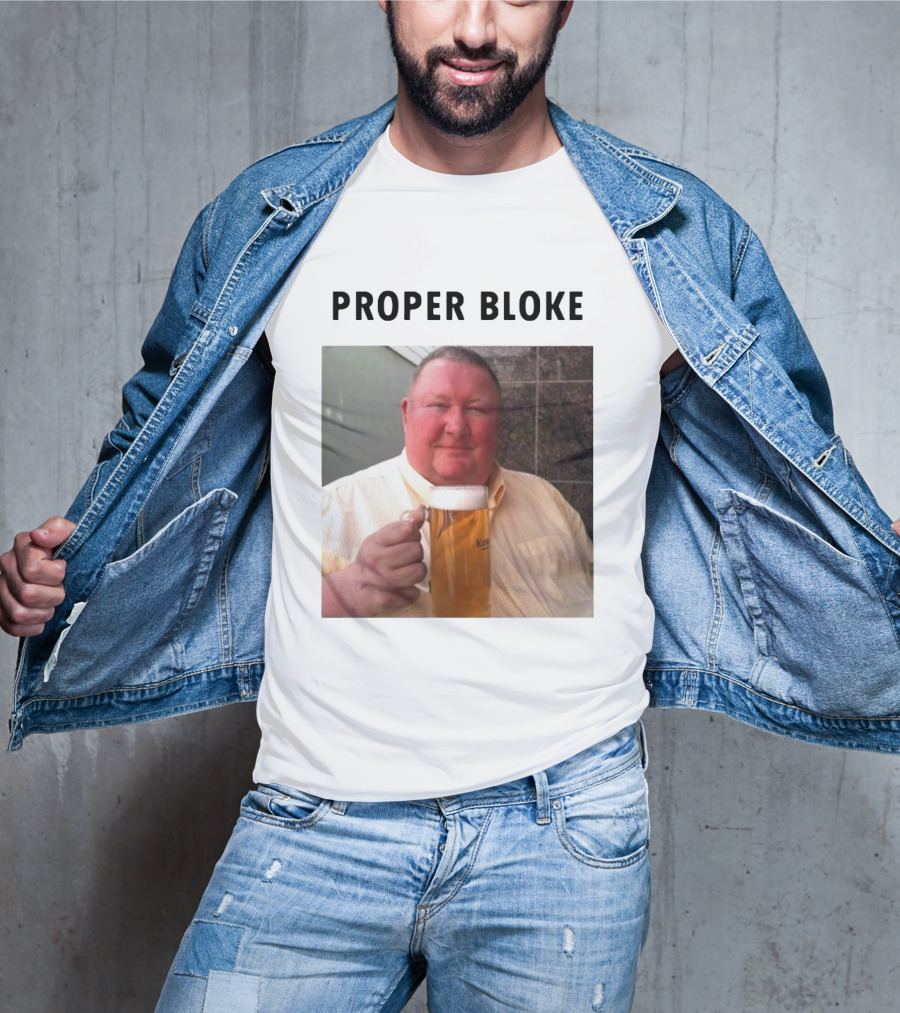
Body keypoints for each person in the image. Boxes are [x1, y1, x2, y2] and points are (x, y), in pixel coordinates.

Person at [2, 3, 899, 1011]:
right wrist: (68, 569)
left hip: (565, 828)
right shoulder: (270, 220)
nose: (473, 26)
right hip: (315, 810)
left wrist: (869, 560)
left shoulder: (676, 233)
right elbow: (156, 435)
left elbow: (790, 462)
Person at [321, 345, 594, 619]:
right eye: (438, 405)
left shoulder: (544, 496)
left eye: (477, 409)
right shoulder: (330, 508)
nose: (457, 427)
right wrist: (346, 592)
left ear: (498, 422)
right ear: (406, 415)